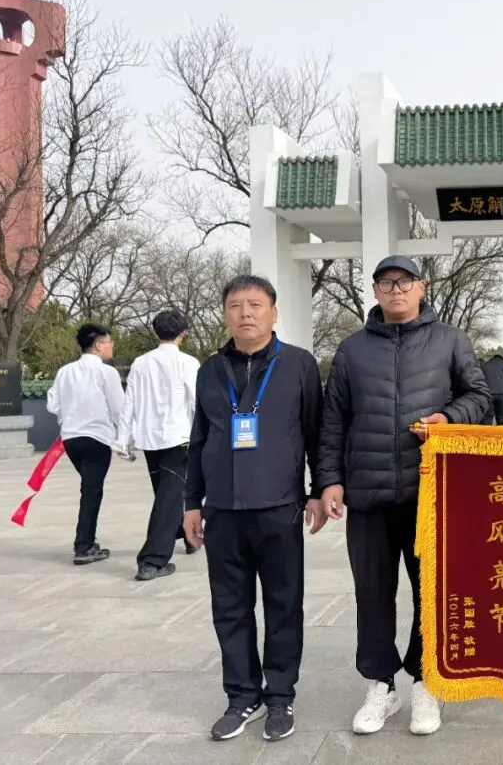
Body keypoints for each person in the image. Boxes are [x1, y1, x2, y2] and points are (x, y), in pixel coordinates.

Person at [316, 254, 490, 737]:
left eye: (405, 281)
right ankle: (381, 684)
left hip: (430, 494)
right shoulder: (351, 350)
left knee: (431, 592)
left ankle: (425, 680)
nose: (396, 289)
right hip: (367, 495)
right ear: (374, 291)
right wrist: (329, 480)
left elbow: (479, 396)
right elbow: (333, 421)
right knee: (372, 594)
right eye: (386, 282)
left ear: (422, 287)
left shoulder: (450, 340)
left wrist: (448, 418)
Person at [183, 275, 324, 743]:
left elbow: (316, 433)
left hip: (279, 506)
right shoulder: (209, 370)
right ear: (225, 314)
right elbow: (199, 439)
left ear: (273, 313)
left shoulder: (299, 365)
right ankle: (242, 695)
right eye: (236, 305)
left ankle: (280, 695)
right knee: (229, 606)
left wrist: (319, 489)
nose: (245, 313)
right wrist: (192, 503)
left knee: (283, 604)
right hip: (223, 509)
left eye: (255, 304)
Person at [116, 310, 201, 581]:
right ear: (183, 333)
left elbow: (129, 402)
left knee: (167, 493)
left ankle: (184, 534)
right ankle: (152, 561)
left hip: (150, 439)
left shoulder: (140, 363)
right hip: (179, 438)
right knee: (169, 495)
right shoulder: (187, 363)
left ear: (156, 331)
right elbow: (196, 402)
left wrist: (122, 439)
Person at [47, 323, 125, 566]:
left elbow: (52, 405)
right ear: (98, 345)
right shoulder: (106, 373)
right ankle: (84, 546)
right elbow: (119, 409)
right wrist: (123, 439)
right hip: (96, 438)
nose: (111, 346)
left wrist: (70, 415)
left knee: (89, 488)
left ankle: (87, 541)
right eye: (109, 342)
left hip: (71, 439)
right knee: (92, 491)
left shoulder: (65, 371)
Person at [481, 351, 503, 425]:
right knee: (501, 416)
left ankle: (487, 431)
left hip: (488, 394)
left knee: (488, 416)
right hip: (502, 394)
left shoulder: (486, 364)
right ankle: (500, 431)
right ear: (502, 358)